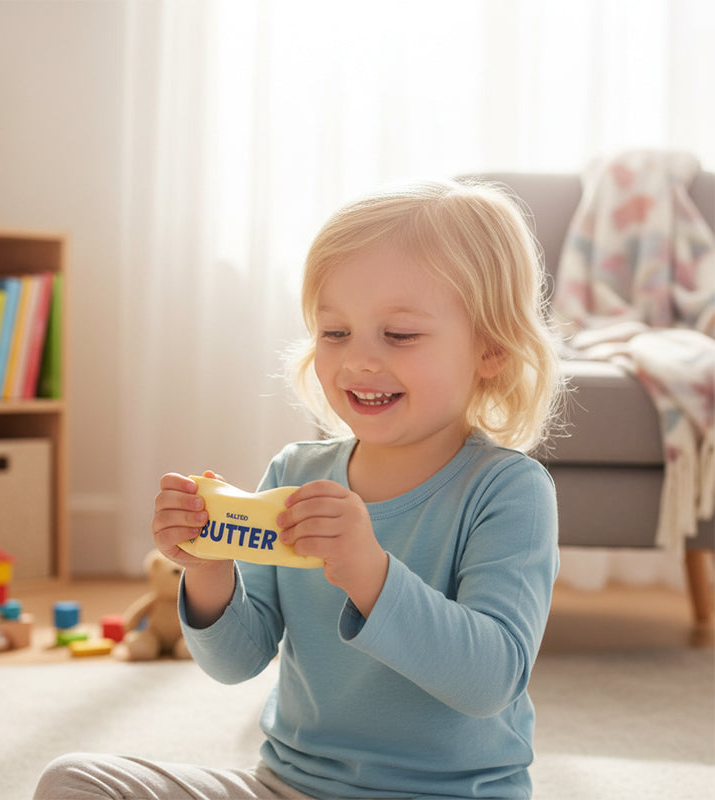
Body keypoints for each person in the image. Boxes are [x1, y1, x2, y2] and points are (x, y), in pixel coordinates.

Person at [34, 179, 563, 799]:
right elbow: (236, 661)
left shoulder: (508, 491)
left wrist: (368, 571)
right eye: (335, 333)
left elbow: (489, 681)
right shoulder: (295, 473)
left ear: (490, 349)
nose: (358, 360)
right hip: (290, 789)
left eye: (400, 335)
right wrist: (208, 566)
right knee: (72, 782)